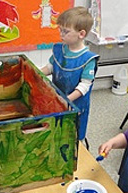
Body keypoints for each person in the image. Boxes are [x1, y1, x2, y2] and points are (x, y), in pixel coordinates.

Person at [41, 6, 99, 145]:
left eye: (66, 31)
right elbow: (50, 67)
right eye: (60, 30)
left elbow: (84, 86)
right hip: (58, 99)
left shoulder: (88, 59)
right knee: (56, 130)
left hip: (75, 105)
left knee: (72, 134)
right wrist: (35, 72)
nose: (61, 34)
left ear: (81, 34)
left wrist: (66, 100)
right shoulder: (59, 49)